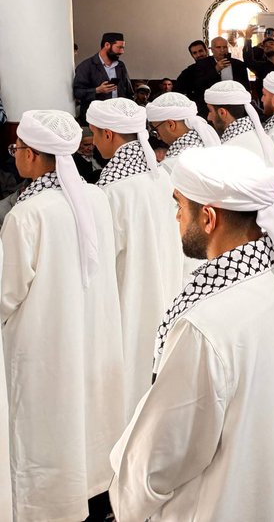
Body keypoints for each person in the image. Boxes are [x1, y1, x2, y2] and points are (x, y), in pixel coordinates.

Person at [109, 146, 274, 521]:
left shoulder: (205, 327)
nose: (177, 217)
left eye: (180, 205)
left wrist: (125, 501)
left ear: (208, 218)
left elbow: (160, 458)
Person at [4, 110, 124, 521]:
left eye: (17, 148)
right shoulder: (96, 197)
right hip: (92, 334)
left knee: (50, 434)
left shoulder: (26, 214)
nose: (15, 155)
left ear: (33, 155)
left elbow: (7, 293)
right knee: (89, 424)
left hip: (47, 348)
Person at [86, 97, 181, 417]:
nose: (93, 141)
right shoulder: (161, 177)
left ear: (109, 134)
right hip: (168, 290)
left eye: (94, 133)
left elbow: (100, 261)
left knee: (129, 384)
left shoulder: (113, 192)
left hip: (130, 299)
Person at [146, 91, 220, 175]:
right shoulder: (203, 145)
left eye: (156, 130)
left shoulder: (175, 164)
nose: (158, 137)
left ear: (171, 125)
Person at [205, 80, 274, 165]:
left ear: (222, 113)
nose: (209, 117)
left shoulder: (230, 151)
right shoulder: (258, 137)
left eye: (210, 111)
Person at [73, 31, 134, 115]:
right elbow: (77, 92)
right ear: (107, 45)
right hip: (96, 117)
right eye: (119, 47)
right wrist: (97, 90)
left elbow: (129, 92)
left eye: (123, 48)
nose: (122, 51)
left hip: (118, 116)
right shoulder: (86, 66)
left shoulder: (120, 66)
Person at [176, 38, 212, 111]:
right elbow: (177, 89)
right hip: (198, 108)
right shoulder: (188, 71)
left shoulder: (216, 65)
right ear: (192, 55)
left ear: (206, 50)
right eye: (195, 53)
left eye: (200, 51)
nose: (198, 55)